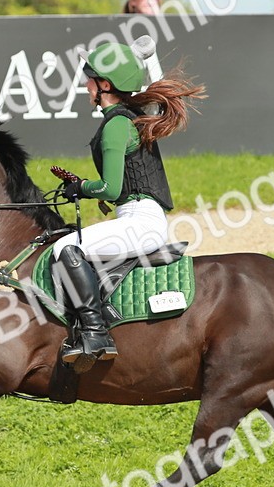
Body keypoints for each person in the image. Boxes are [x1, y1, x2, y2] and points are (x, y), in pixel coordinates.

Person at [54, 43, 205, 364]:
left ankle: (95, 334)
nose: (86, 85)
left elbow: (110, 189)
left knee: (66, 248)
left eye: (90, 79)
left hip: (140, 223)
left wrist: (80, 187)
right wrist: (148, 60)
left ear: (105, 85)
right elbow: (156, 99)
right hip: (141, 220)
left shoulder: (116, 125)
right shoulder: (131, 118)